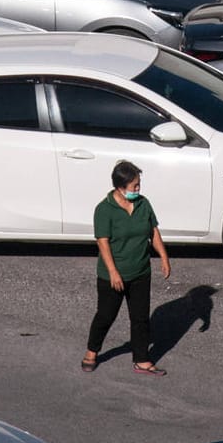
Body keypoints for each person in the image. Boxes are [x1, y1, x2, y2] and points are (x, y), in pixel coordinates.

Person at [82, 160, 170, 376]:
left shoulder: (143, 204)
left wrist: (164, 257)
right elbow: (102, 242)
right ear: (120, 187)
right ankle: (92, 351)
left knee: (140, 318)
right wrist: (113, 272)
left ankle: (141, 359)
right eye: (134, 186)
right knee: (106, 315)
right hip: (113, 275)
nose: (138, 190)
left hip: (140, 272)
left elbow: (153, 231)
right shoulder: (104, 210)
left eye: (138, 185)